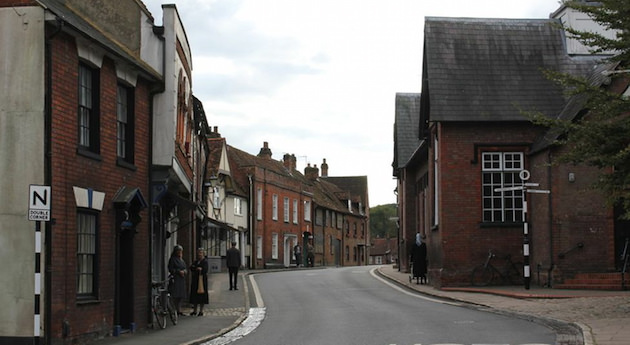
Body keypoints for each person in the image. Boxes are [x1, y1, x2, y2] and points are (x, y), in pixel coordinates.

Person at [168, 245, 187, 315]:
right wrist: (178, 271)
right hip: (176, 279)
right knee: (175, 295)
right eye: (178, 251)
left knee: (180, 296)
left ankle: (179, 309)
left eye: (181, 251)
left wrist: (184, 272)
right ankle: (174, 309)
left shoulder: (181, 260)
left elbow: (185, 268)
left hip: (181, 279)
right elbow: (170, 269)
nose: (180, 252)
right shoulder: (173, 259)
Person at [189, 248, 209, 316]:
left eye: (201, 253)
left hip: (202, 281)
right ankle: (194, 310)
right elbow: (191, 267)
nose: (199, 254)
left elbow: (205, 270)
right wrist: (196, 268)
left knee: (202, 296)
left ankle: (201, 311)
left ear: (203, 254)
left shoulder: (205, 261)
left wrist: (199, 269)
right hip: (195, 280)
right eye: (198, 253)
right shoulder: (196, 261)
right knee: (195, 295)